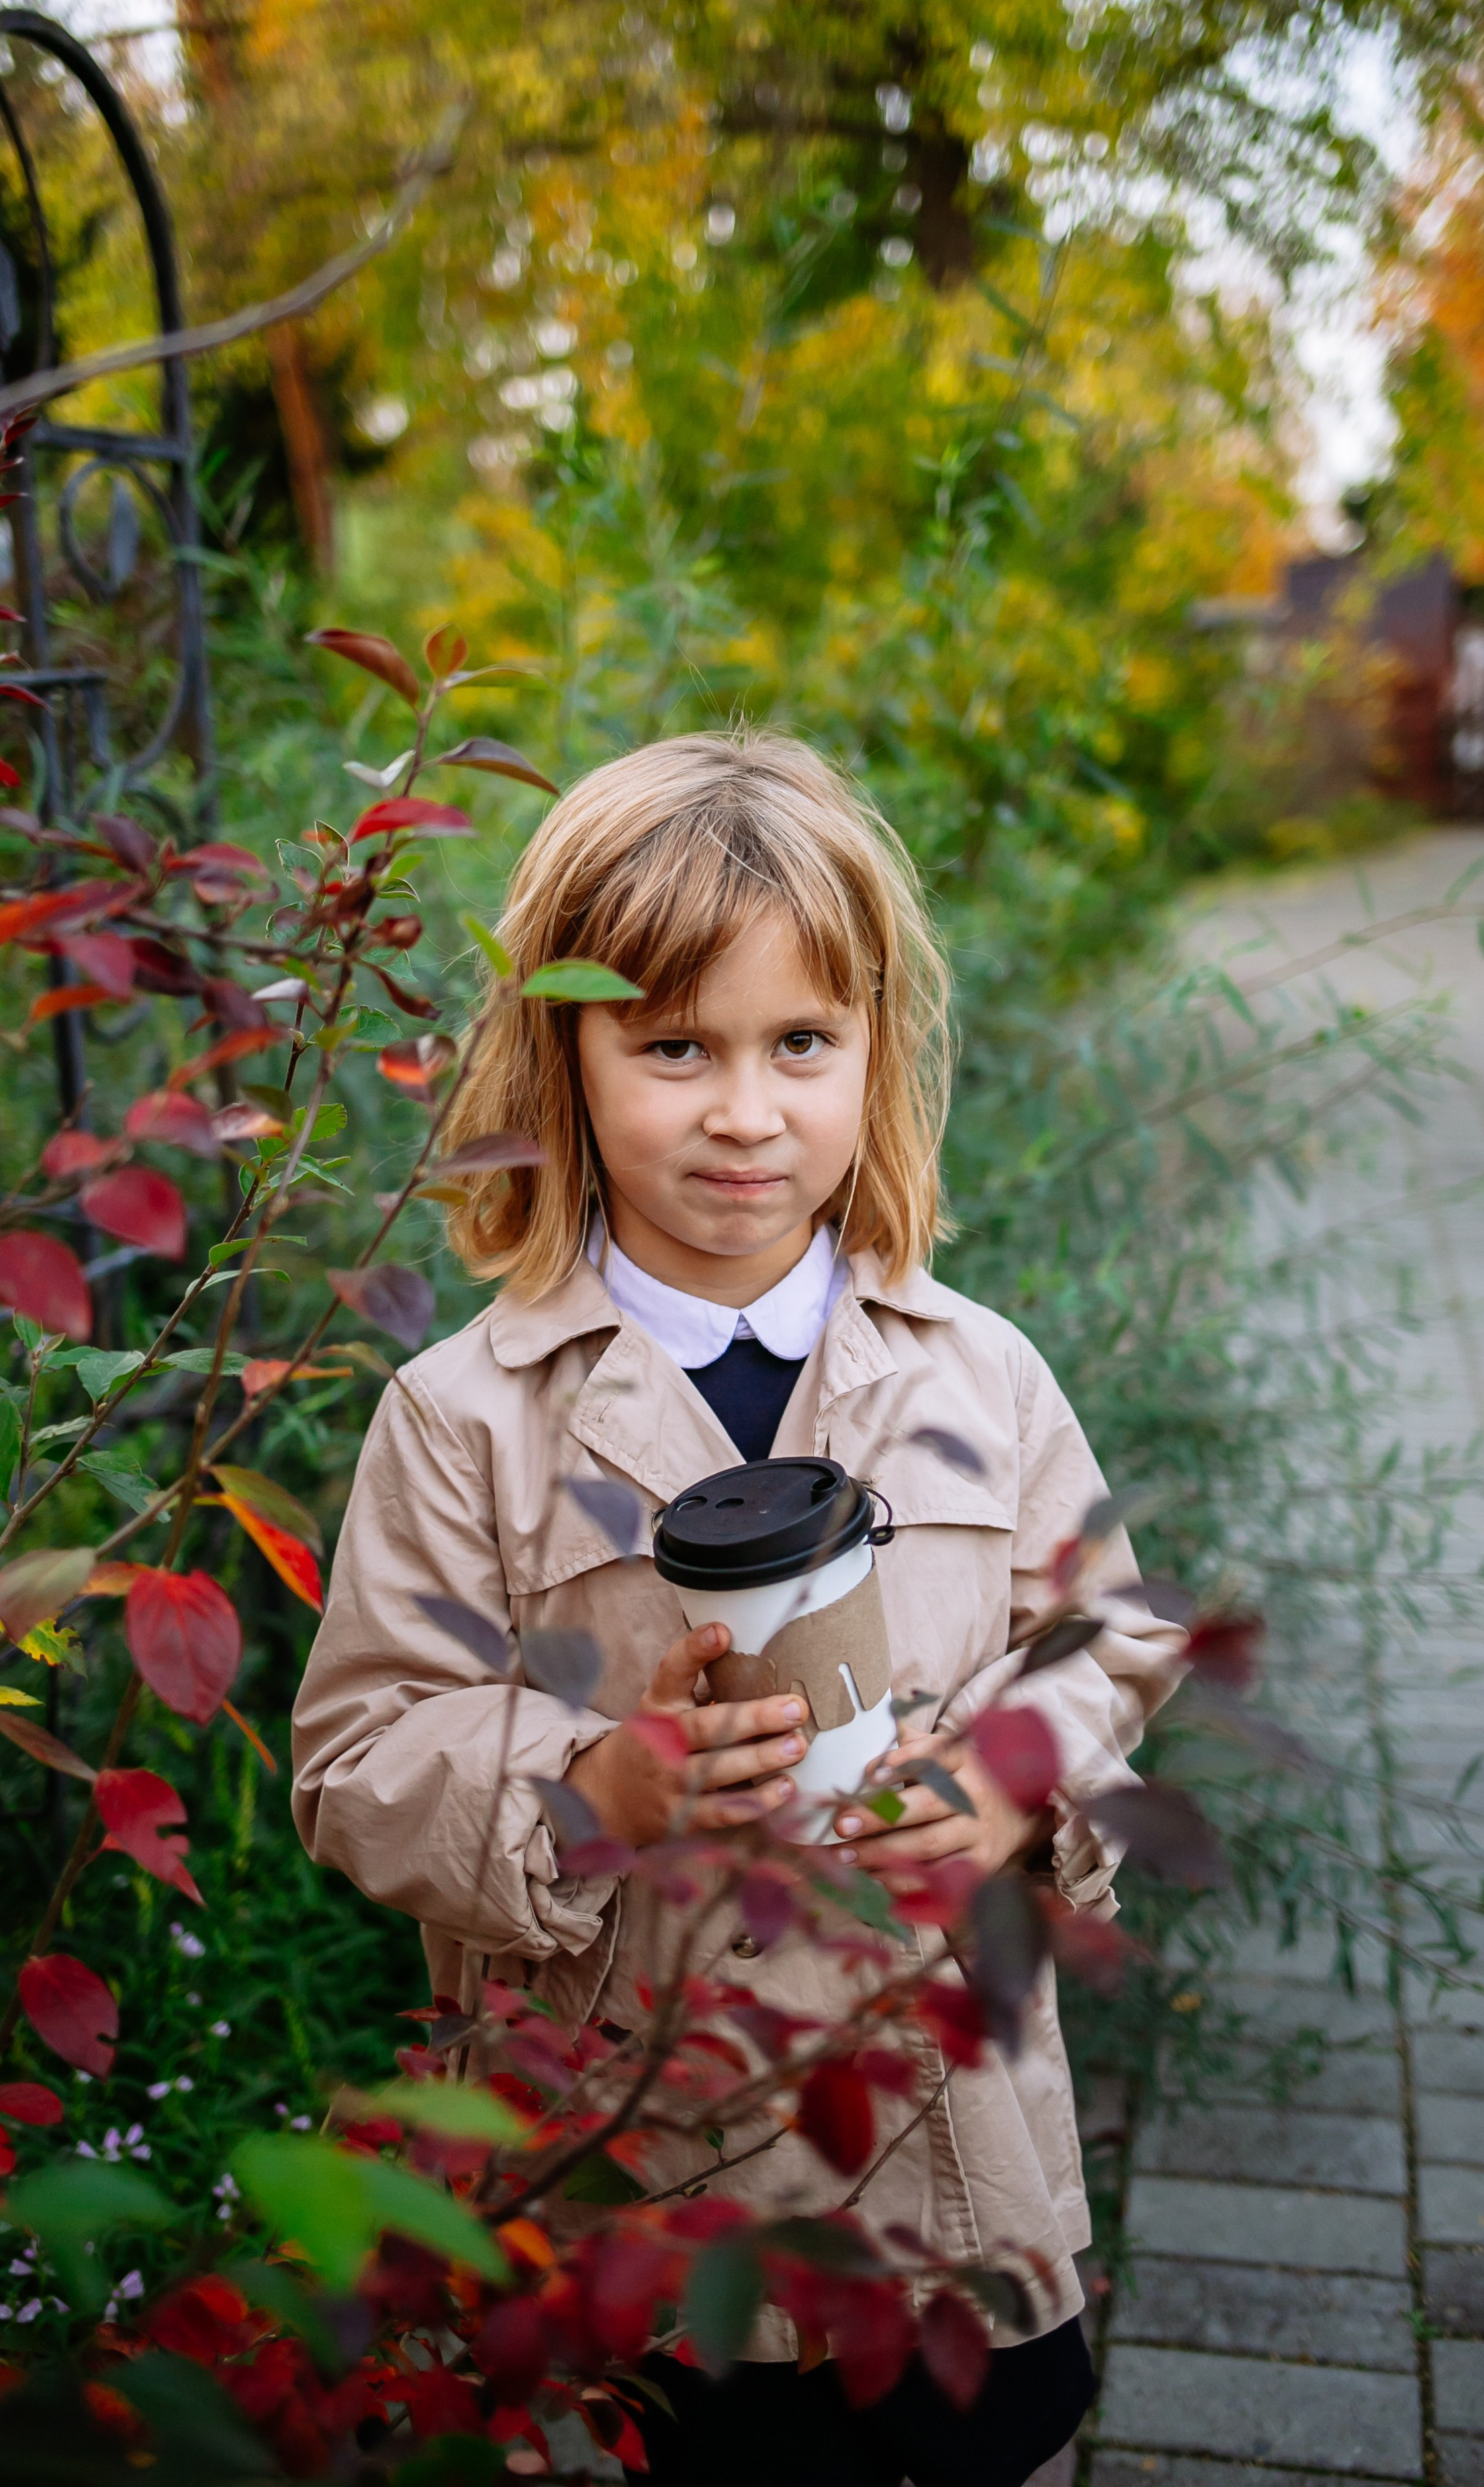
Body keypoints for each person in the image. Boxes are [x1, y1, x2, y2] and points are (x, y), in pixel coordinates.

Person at [291, 730, 1187, 2487]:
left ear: (872, 1060)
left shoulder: (974, 1376)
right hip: (625, 2188)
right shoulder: (469, 1416)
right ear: (566, 1063)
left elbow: (1108, 1636)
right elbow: (353, 1764)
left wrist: (1019, 1779)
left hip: (935, 2173)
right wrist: (588, 1790)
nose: (744, 1110)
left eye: (801, 1044)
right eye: (675, 1046)